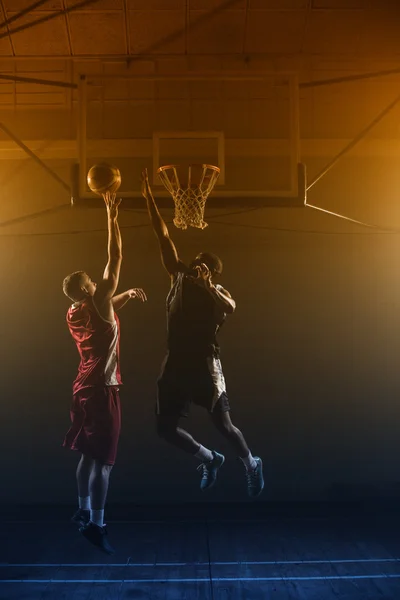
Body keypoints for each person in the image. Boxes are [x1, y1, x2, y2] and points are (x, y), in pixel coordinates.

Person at [141, 169, 264, 498]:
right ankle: (210, 459)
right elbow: (162, 236)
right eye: (195, 262)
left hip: (205, 363)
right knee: (164, 429)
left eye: (203, 266)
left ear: (211, 271)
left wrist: (209, 285)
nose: (196, 266)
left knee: (223, 425)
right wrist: (149, 198)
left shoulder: (217, 292)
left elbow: (233, 307)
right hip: (176, 363)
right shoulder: (178, 276)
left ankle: (252, 464)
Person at [62, 191, 146, 554]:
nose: (99, 283)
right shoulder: (97, 300)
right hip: (102, 388)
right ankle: (97, 523)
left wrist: (123, 296)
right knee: (104, 463)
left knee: (86, 455)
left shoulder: (73, 312)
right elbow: (116, 256)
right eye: (93, 283)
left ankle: (81, 511)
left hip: (82, 386)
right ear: (87, 290)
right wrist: (111, 215)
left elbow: (106, 309)